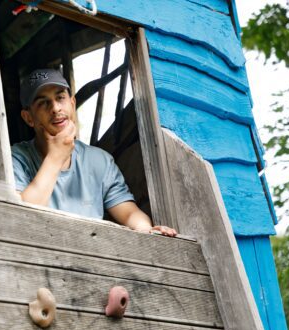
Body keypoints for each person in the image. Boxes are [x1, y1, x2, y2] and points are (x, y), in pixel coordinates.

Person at [11, 68, 177, 237]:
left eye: (60, 97)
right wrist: (55, 157)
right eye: (43, 103)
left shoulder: (99, 160)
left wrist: (146, 229)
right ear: (28, 118)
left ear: (72, 103)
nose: (55, 108)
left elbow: (129, 213)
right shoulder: (17, 158)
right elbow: (21, 219)